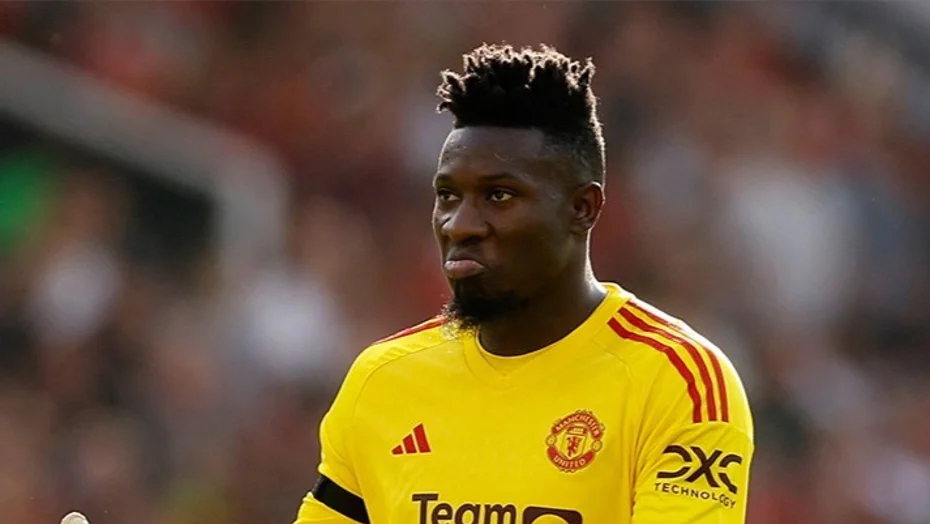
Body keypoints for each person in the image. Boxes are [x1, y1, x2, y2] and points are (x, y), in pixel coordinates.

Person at [293, 43, 754, 524]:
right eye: (448, 195)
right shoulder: (382, 382)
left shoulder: (678, 382)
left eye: (498, 195)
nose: (460, 224)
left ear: (583, 208)